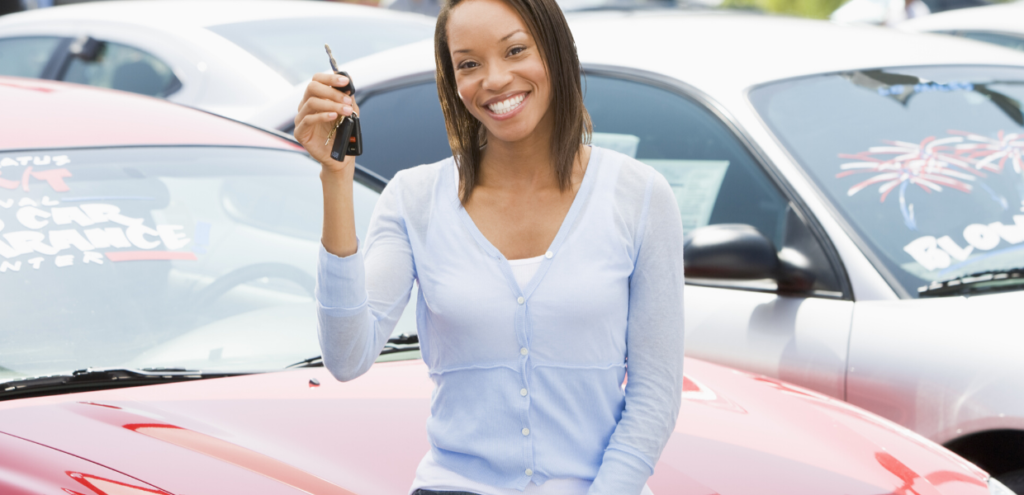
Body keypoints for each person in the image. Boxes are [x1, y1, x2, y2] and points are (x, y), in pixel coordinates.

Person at [293, 0, 685, 491]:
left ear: (556, 51)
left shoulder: (639, 194)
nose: (495, 79)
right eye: (469, 64)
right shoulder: (414, 199)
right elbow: (347, 357)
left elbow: (656, 393)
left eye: (515, 50)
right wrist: (336, 179)